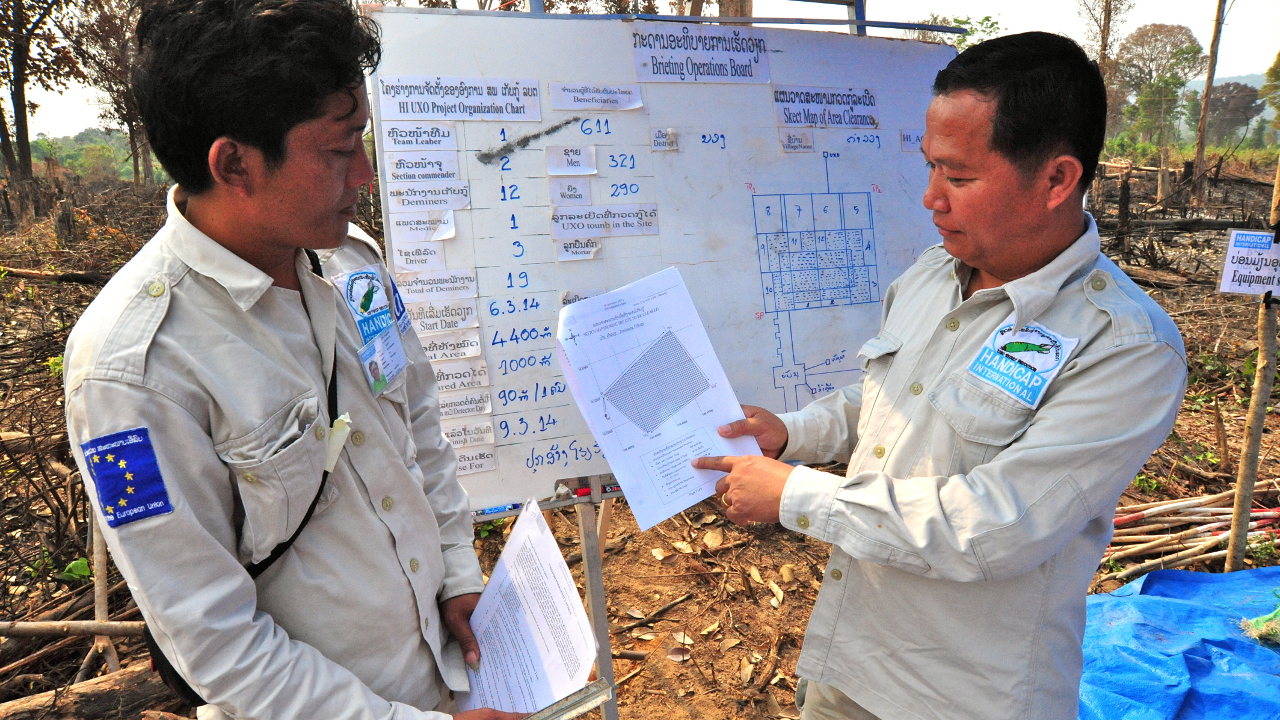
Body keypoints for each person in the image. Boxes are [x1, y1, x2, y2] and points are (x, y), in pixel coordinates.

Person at [695, 32, 1186, 720]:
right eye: (929, 169)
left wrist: (799, 495)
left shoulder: (1123, 347)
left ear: (1056, 179)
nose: (930, 198)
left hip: (964, 696)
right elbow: (890, 396)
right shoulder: (932, 273)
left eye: (958, 177)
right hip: (852, 658)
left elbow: (997, 524)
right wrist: (793, 433)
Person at [63, 1, 520, 718]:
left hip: (451, 677)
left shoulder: (351, 264)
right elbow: (216, 643)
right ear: (234, 163)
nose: (365, 175)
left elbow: (420, 425)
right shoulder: (133, 374)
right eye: (341, 151)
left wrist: (457, 569)